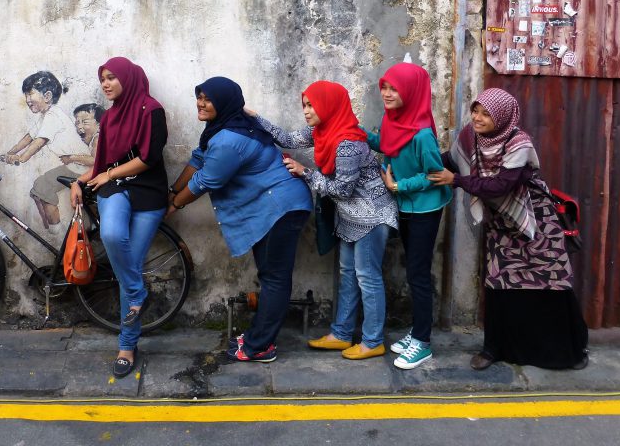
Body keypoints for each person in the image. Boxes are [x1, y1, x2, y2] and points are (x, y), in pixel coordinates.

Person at [428, 88, 589, 370]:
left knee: (552, 282)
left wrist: (456, 181)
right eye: (476, 111)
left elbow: (502, 185)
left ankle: (567, 351)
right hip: (502, 223)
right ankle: (494, 350)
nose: (477, 118)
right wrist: (414, 158)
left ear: (501, 116)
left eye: (485, 113)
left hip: (535, 220)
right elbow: (450, 159)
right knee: (499, 283)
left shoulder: (519, 144)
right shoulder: (470, 137)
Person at [168, 77, 313, 364]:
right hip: (272, 206)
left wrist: (173, 204)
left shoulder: (228, 140)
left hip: (281, 207)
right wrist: (173, 189)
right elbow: (198, 160)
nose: (200, 103)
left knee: (274, 278)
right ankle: (260, 335)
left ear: (224, 103)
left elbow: (206, 179)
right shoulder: (223, 127)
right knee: (270, 275)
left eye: (207, 99)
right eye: (198, 96)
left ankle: (260, 346)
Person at [249, 81, 398, 360]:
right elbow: (289, 139)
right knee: (347, 274)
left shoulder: (347, 144)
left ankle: (373, 340)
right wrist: (254, 116)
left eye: (311, 105)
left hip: (372, 215)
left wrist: (305, 172)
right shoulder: (322, 130)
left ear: (329, 105)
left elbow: (342, 189)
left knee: (367, 277)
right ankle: (341, 334)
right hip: (351, 215)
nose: (306, 111)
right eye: (304, 105)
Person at [69, 57, 168, 378]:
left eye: (112, 77)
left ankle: (127, 345)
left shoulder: (152, 110)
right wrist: (80, 180)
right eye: (103, 79)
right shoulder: (109, 117)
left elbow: (148, 158)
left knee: (130, 267)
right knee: (112, 236)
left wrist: (108, 173)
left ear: (128, 77)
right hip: (115, 191)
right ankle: (139, 292)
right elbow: (100, 165)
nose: (106, 84)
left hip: (148, 192)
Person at [365, 62, 448, 370]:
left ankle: (423, 342)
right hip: (406, 207)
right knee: (414, 273)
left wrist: (398, 185)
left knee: (417, 275)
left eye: (394, 88)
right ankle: (416, 333)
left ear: (411, 91)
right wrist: (353, 129)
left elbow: (435, 174)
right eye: (384, 87)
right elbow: (384, 144)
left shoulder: (422, 134)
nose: (386, 93)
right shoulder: (392, 120)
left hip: (425, 209)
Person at [4, 71, 90, 228]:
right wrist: (10, 152)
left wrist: (22, 158)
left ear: (47, 96)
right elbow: (28, 138)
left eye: (30, 94)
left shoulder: (54, 116)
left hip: (81, 166)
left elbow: (39, 142)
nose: (27, 99)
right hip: (73, 166)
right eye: (26, 95)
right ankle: (49, 228)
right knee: (38, 188)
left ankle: (56, 231)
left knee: (42, 187)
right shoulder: (45, 116)